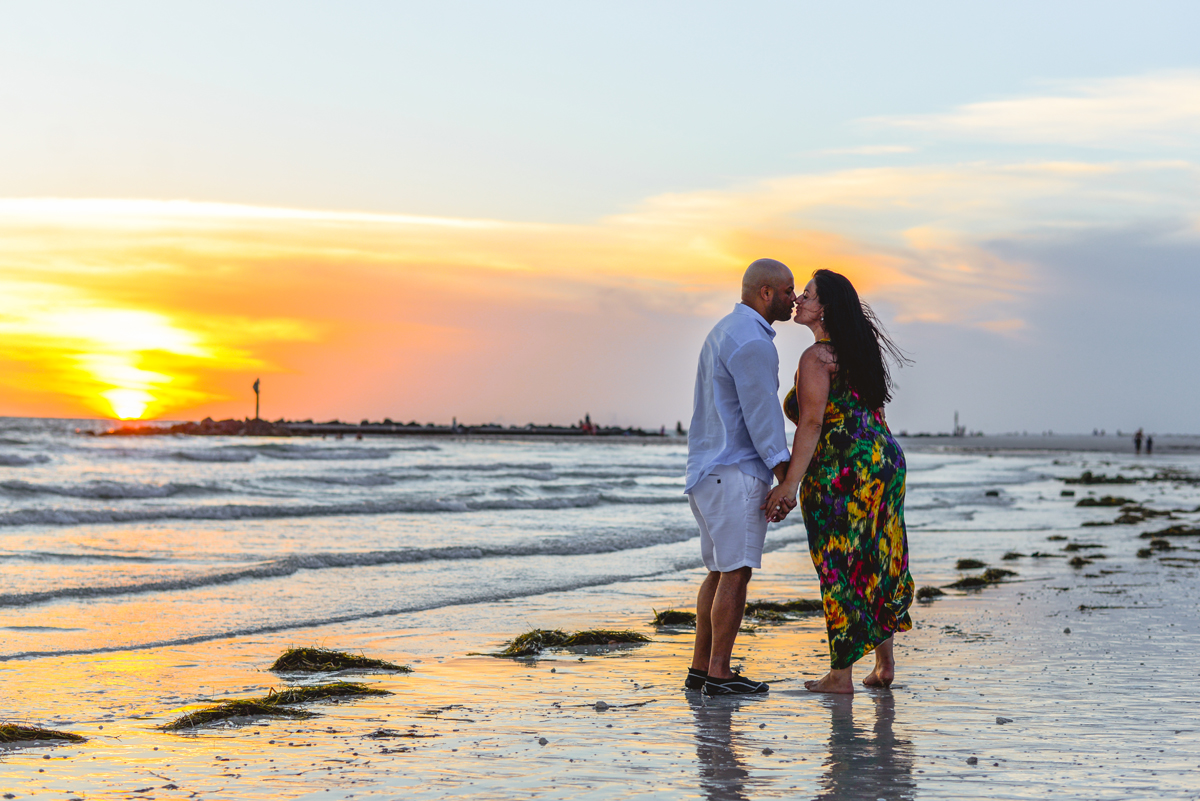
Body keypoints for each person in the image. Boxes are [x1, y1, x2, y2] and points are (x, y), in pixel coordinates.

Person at [764, 269, 914, 694]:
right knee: (875, 560)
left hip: (841, 468)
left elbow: (811, 423)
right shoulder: (859, 353)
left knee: (839, 566)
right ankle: (883, 667)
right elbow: (874, 415)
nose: (798, 300)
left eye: (806, 295)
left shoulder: (817, 358)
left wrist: (788, 485)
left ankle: (840, 675)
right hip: (884, 462)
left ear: (825, 307)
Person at [684, 258, 796, 696]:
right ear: (764, 293)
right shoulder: (752, 341)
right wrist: (785, 476)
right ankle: (719, 672)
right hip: (734, 473)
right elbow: (763, 416)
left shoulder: (723, 331)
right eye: (787, 291)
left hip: (707, 472)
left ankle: (701, 669)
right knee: (736, 572)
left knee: (717, 570)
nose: (793, 298)